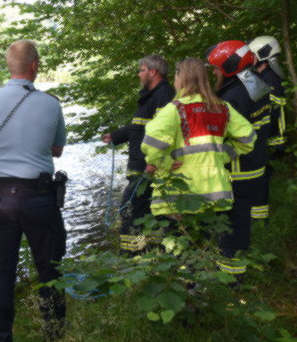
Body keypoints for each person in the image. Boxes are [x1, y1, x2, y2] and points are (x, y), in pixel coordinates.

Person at [0, 40, 67, 342]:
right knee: (50, 266)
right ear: (35, 67)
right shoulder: (50, 104)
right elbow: (56, 150)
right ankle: (54, 331)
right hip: (38, 197)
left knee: (1, 272)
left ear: (9, 66)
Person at [141, 58, 254, 222]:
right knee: (211, 243)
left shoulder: (175, 108)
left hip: (179, 196)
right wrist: (221, 155)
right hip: (215, 195)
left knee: (181, 243)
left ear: (181, 78)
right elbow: (248, 137)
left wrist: (163, 162)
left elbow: (151, 142)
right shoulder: (222, 107)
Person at [207, 41, 271, 276]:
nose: (213, 73)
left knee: (233, 223)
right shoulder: (257, 86)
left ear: (229, 67)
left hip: (238, 170)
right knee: (242, 218)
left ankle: (231, 278)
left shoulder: (232, 97)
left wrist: (217, 158)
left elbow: (235, 139)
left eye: (215, 69)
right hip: (256, 165)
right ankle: (234, 267)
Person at [102, 55, 175, 255]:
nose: (138, 74)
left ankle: (132, 257)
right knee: (145, 212)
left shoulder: (164, 95)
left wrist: (153, 163)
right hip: (141, 165)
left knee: (130, 211)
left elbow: (165, 132)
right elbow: (138, 128)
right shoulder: (149, 96)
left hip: (147, 167)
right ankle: (150, 253)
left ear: (153, 71)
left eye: (141, 70)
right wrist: (115, 136)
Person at [248, 36, 287, 223]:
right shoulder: (265, 77)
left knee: (260, 178)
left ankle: (259, 220)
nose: (250, 58)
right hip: (264, 138)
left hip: (266, 139)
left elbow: (270, 115)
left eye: (252, 54)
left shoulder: (270, 80)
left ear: (262, 55)